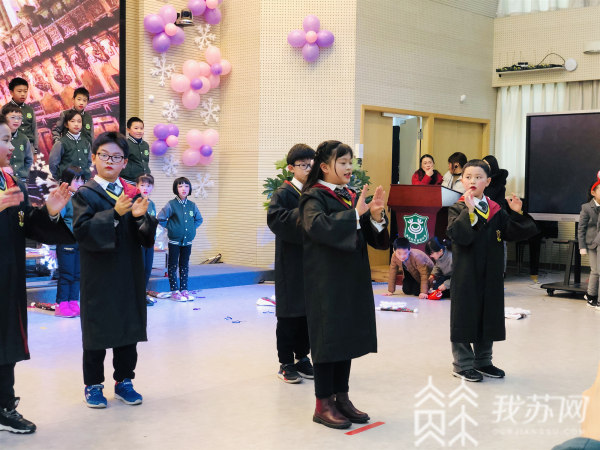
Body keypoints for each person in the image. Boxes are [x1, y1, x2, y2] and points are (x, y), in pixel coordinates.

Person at [299, 140, 389, 429]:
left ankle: (342, 397)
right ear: (325, 167)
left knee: (345, 338)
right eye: (343, 162)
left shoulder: (350, 195)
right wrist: (355, 215)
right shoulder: (313, 196)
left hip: (352, 278)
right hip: (326, 280)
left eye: (351, 162)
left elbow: (374, 239)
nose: (349, 168)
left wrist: (376, 216)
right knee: (328, 340)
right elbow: (317, 226)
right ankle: (322, 403)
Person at [72, 132, 158, 408]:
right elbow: (82, 232)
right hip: (98, 275)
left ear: (124, 162)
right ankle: (93, 385)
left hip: (128, 271)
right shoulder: (85, 194)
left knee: (127, 327)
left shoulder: (131, 192)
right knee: (97, 330)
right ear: (94, 158)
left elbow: (146, 237)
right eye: (104, 155)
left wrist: (141, 219)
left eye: (117, 157)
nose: (110, 161)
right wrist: (115, 214)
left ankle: (124, 381)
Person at [0, 114, 74, 434]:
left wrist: (50, 211)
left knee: (6, 345)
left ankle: (4, 407)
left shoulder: (11, 182)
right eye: (5, 140)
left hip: (8, 280)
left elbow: (27, 224)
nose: (11, 146)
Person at [447, 159, 537, 382]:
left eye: (478, 177)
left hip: (491, 273)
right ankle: (462, 364)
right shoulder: (457, 208)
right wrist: (470, 211)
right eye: (468, 177)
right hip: (467, 274)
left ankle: (483, 361)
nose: (473, 181)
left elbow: (514, 233)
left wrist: (516, 213)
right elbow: (459, 236)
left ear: (487, 182)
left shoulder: (496, 210)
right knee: (464, 316)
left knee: (487, 315)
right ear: (462, 180)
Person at [267, 143, 316, 384]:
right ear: (291, 168)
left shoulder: (315, 192)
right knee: (288, 314)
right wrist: (304, 214)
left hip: (311, 262)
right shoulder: (283, 193)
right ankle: (285, 362)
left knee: (307, 313)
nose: (308, 169)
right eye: (303, 165)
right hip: (290, 263)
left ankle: (302, 357)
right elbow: (276, 220)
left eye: (312, 165)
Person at [157, 177, 203, 301]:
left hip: (187, 242)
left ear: (190, 189)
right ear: (176, 189)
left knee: (184, 265)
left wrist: (192, 228)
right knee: (172, 266)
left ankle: (184, 290)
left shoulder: (192, 205)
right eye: (180, 186)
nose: (184, 189)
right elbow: (160, 218)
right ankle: (174, 291)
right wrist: (171, 228)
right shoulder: (171, 204)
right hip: (174, 241)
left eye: (186, 186)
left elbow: (199, 219)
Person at [55, 166, 85, 318]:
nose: (80, 184)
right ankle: (61, 305)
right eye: (76, 180)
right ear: (67, 181)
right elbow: (56, 222)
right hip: (66, 242)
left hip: (81, 242)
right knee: (66, 275)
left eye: (82, 180)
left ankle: (73, 302)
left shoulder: (82, 198)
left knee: (78, 275)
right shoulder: (63, 198)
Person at [48, 110, 92, 181]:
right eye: (72, 121)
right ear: (66, 124)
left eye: (79, 121)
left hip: (85, 180)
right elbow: (53, 164)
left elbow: (89, 162)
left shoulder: (86, 142)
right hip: (67, 182)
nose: (76, 124)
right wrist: (59, 178)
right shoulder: (60, 143)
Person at [578, 173, 600, 310]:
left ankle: (592, 296)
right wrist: (582, 247)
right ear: (593, 192)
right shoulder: (586, 207)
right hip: (592, 244)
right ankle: (591, 296)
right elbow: (581, 228)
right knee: (595, 271)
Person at [137, 173, 157, 306]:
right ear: (137, 186)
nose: (145, 188)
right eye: (142, 185)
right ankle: (137, 296)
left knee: (147, 270)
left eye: (148, 185)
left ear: (152, 187)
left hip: (149, 243)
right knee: (139, 270)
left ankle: (143, 294)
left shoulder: (152, 204)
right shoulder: (135, 202)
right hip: (138, 243)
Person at [4, 77, 38, 155]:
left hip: (30, 148)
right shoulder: (5, 110)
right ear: (11, 92)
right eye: (19, 91)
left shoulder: (29, 109)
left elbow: (34, 130)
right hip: (13, 148)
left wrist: (35, 150)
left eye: (25, 91)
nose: (23, 94)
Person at [1, 104, 32, 183]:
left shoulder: (24, 139)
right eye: (13, 117)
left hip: (21, 179)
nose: (16, 121)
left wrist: (24, 173)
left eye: (19, 118)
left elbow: (28, 159)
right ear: (4, 118)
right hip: (4, 180)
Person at [121, 117, 150, 184]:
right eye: (136, 128)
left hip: (144, 181)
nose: (139, 131)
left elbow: (146, 161)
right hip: (128, 181)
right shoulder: (124, 144)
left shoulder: (145, 145)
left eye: (141, 128)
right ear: (128, 130)